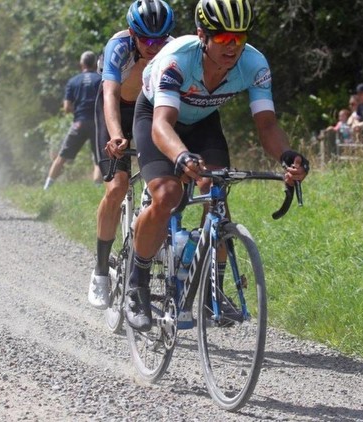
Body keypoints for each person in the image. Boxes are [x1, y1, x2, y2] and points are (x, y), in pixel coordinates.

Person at [122, 0, 309, 331]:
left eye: (240, 38)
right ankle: (137, 284)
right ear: (202, 36)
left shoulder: (254, 64)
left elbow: (266, 125)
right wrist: (180, 157)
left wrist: (287, 156)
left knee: (217, 193)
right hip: (157, 117)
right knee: (167, 195)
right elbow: (162, 126)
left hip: (204, 122)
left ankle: (213, 291)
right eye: (223, 39)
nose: (233, 47)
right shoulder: (176, 61)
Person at [88, 0, 176, 310]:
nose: (154, 47)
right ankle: (100, 270)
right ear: (132, 33)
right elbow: (110, 95)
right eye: (147, 40)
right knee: (117, 187)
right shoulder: (118, 46)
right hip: (116, 114)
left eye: (160, 40)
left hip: (149, 114)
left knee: (166, 190)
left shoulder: (173, 49)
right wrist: (114, 135)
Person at [43, 51, 102, 190]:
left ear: (81, 64)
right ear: (95, 64)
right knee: (98, 159)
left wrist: (78, 112)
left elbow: (67, 107)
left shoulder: (73, 81)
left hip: (79, 123)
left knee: (62, 157)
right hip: (96, 123)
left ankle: (47, 187)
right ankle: (98, 188)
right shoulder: (100, 80)